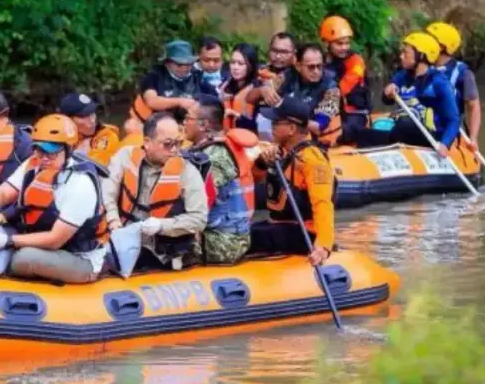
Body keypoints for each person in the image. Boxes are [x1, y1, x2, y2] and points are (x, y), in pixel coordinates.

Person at [0, 115, 109, 284]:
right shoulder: (33, 163)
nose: (44, 158)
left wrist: (9, 241)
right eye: (39, 150)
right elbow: (5, 192)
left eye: (52, 152)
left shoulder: (80, 184)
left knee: (23, 258)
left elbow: (55, 239)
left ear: (68, 149)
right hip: (40, 240)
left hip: (80, 258)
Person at [103, 112, 209, 271]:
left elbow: (199, 219)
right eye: (167, 144)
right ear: (147, 142)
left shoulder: (187, 171)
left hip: (162, 251)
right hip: (123, 236)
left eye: (178, 143)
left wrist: (161, 225)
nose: (174, 150)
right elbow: (107, 191)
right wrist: (113, 220)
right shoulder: (125, 156)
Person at [248, 98, 335, 266]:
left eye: (276, 123)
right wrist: (262, 163)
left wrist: (323, 245)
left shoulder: (313, 160)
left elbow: (323, 203)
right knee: (242, 231)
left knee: (247, 237)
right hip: (279, 225)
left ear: (292, 129)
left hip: (303, 232)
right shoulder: (281, 152)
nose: (271, 127)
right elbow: (254, 179)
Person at [183, 97, 257, 264]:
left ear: (204, 125)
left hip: (225, 241)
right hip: (215, 232)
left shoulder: (216, 156)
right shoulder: (203, 149)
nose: (184, 122)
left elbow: (200, 200)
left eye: (188, 118)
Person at [367, 32, 461, 155]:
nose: (401, 56)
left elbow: (454, 120)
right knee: (361, 133)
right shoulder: (402, 76)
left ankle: (387, 141)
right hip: (403, 131)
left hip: (430, 135)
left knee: (404, 124)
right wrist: (387, 91)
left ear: (421, 56)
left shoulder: (439, 82)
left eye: (406, 53)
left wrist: (445, 144)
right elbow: (386, 100)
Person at [248, 44, 342, 146]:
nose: (316, 71)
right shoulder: (287, 76)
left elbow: (318, 127)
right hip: (287, 134)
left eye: (319, 66)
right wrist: (262, 90)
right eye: (311, 67)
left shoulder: (331, 88)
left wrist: (290, 117)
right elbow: (249, 98)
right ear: (298, 66)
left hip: (319, 143)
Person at [125, 40, 218, 135]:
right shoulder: (154, 75)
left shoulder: (198, 77)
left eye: (188, 63)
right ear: (167, 63)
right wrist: (180, 101)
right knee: (131, 125)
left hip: (185, 127)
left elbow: (214, 103)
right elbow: (151, 101)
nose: (184, 67)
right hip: (154, 125)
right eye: (179, 64)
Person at [426, 21, 483, 149]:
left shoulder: (463, 74)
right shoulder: (422, 66)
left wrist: (473, 138)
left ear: (441, 46)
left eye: (429, 40)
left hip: (444, 132)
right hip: (421, 126)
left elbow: (473, 106)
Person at [320, 15, 371, 143]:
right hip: (330, 111)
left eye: (347, 43)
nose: (344, 47)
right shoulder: (320, 61)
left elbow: (343, 88)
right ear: (327, 43)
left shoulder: (356, 62)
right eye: (339, 43)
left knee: (347, 132)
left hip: (355, 113)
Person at [250, 32, 297, 138]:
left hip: (288, 132)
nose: (278, 56)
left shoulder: (300, 74)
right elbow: (248, 97)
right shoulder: (259, 71)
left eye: (284, 52)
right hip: (257, 129)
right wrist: (261, 90)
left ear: (294, 53)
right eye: (274, 51)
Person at [57, 92, 121, 167]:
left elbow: (94, 166)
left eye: (92, 112)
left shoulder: (107, 136)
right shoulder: (62, 138)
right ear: (68, 119)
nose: (92, 119)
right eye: (83, 116)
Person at [219, 42, 259, 132]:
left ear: (250, 66)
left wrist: (236, 115)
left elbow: (258, 125)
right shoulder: (224, 86)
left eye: (241, 64)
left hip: (248, 139)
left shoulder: (257, 91)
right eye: (233, 62)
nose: (235, 67)